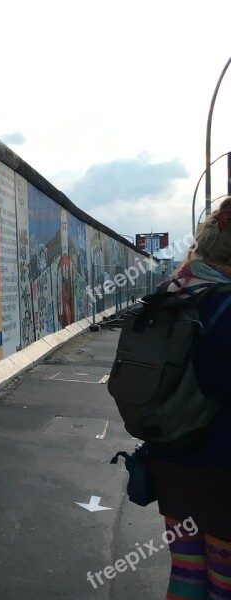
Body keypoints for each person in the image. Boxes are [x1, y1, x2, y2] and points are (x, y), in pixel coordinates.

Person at [149, 197, 231, 600]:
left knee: (185, 572)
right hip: (223, 463)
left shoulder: (171, 292)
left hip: (172, 456)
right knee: (224, 579)